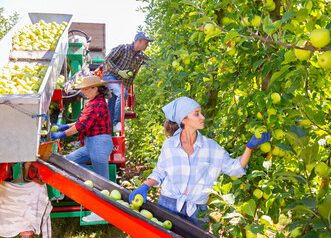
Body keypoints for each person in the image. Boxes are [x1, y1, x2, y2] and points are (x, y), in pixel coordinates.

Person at [129, 97, 271, 229]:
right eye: (197, 114)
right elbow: (159, 173)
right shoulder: (169, 145)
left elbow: (236, 168)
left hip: (197, 212)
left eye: (201, 113)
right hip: (168, 205)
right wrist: (144, 187)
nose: (202, 117)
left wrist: (249, 147)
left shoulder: (211, 147)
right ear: (183, 119)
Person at [51, 75, 114, 223]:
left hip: (98, 143)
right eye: (83, 89)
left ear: (95, 88)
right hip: (92, 143)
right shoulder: (92, 103)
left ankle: (101, 213)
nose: (84, 91)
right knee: (67, 162)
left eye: (86, 89)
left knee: (101, 182)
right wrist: (65, 126)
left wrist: (61, 134)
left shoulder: (97, 104)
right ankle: (94, 180)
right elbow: (80, 121)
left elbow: (81, 126)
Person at [102, 31, 154, 132]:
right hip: (110, 78)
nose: (147, 45)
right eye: (146, 43)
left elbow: (154, 63)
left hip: (120, 84)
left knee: (112, 106)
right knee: (122, 93)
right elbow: (107, 60)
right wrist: (119, 71)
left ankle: (109, 131)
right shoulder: (123, 48)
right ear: (139, 41)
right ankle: (117, 123)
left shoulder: (141, 56)